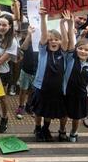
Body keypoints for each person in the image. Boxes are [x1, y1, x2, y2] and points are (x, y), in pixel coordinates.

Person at [29, 7, 67, 142]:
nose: (53, 41)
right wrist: (44, 18)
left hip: (56, 89)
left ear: (61, 41)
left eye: (56, 39)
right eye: (51, 40)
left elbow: (67, 41)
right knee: (39, 110)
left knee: (49, 111)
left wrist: (64, 23)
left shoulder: (63, 53)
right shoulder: (44, 51)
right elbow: (44, 35)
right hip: (41, 86)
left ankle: (46, 128)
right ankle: (38, 128)